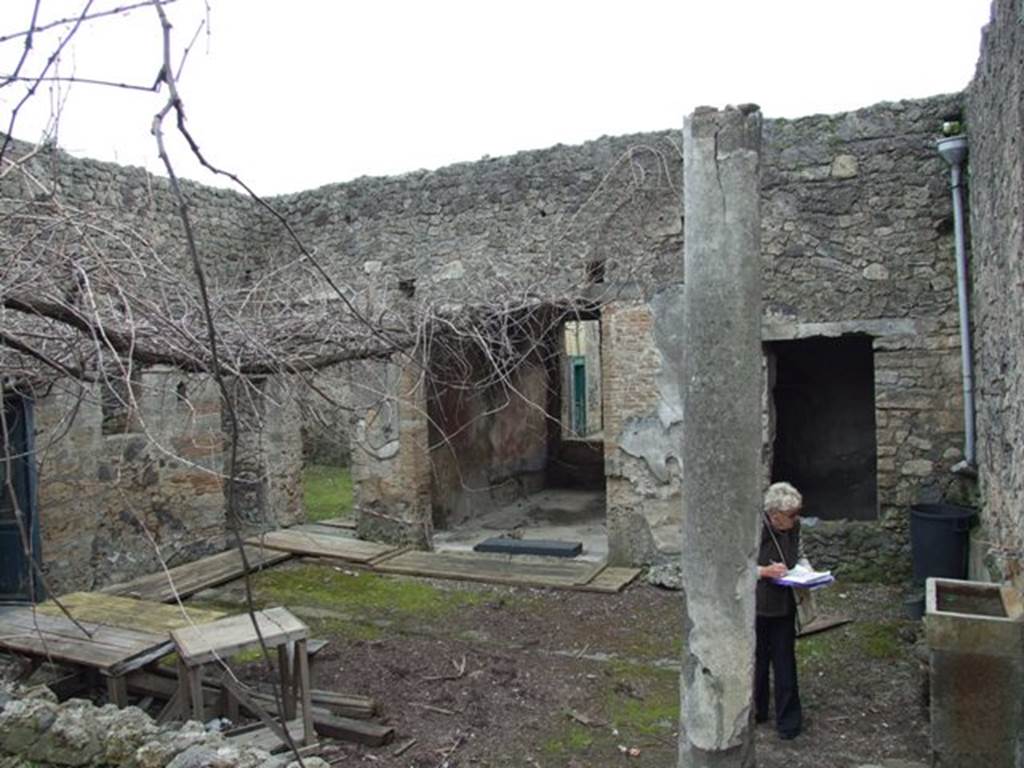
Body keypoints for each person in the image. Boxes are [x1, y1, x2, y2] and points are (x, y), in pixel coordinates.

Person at [755, 481, 804, 740]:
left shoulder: (795, 526)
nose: (796, 519)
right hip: (759, 606)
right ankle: (757, 711)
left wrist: (808, 573)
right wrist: (763, 571)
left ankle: (789, 723)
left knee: (786, 663)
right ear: (774, 516)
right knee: (758, 661)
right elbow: (737, 565)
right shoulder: (754, 528)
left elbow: (800, 555)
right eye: (791, 515)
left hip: (785, 605)